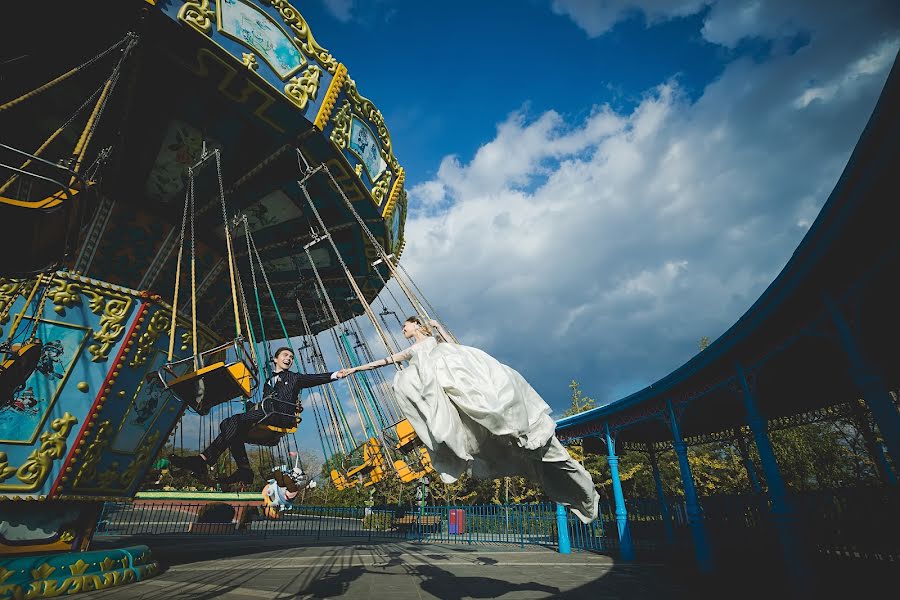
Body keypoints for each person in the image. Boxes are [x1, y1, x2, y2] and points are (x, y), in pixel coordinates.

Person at [338, 317, 600, 524]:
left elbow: (455, 346)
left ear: (416, 324)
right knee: (408, 381)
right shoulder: (412, 351)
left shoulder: (435, 342)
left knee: (486, 400)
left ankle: (507, 426)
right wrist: (355, 369)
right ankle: (465, 430)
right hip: (436, 383)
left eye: (404, 326)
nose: (402, 330)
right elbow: (385, 361)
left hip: (453, 373)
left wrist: (439, 327)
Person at [171, 347, 343, 484]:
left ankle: (205, 460)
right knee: (229, 426)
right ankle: (243, 469)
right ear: (276, 359)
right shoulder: (269, 380)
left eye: (291, 357)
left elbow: (314, 378)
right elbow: (265, 401)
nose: (289, 358)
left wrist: (336, 375)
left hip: (280, 415)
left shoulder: (295, 378)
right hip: (265, 413)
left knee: (233, 422)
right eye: (285, 355)